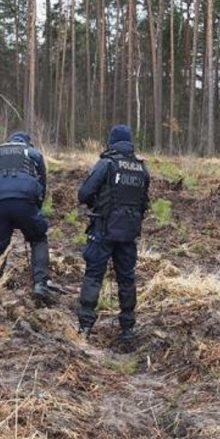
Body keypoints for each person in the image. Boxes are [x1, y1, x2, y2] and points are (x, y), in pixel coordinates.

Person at [77, 125, 150, 349]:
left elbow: (84, 193)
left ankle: (85, 326)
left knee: (94, 275)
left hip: (103, 229)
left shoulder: (106, 164)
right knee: (126, 278)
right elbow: (144, 203)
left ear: (111, 142)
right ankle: (128, 328)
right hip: (128, 233)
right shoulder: (141, 168)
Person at [0, 131, 57, 303]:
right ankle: (40, 284)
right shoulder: (33, 153)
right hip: (25, 201)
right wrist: (36, 208)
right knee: (38, 238)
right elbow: (42, 184)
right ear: (27, 142)